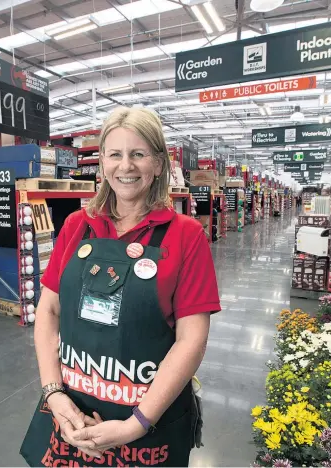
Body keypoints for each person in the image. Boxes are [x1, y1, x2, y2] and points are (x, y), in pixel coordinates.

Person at [20, 107, 221, 467]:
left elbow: (192, 341)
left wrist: (135, 424)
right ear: (102, 163)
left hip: (147, 428)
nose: (125, 166)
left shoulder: (186, 236)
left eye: (138, 154)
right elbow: (49, 311)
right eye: (115, 154)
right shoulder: (76, 226)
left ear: (158, 164)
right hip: (72, 416)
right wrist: (54, 396)